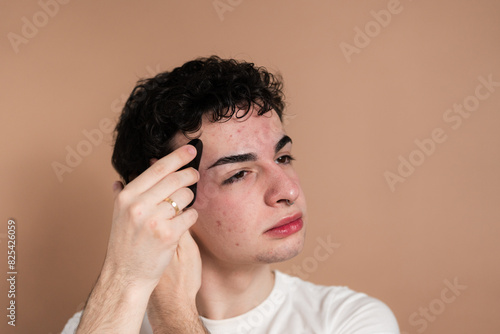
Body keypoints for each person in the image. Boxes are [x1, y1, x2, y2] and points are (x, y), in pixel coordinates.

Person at [62, 56, 400, 333]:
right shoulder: (104, 323)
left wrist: (174, 318)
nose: (288, 190)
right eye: (239, 174)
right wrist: (126, 275)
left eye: (283, 158)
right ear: (165, 196)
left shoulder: (348, 320)